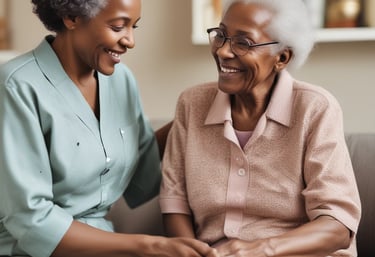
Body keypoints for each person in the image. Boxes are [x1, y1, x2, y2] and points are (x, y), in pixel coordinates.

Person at [0, 1, 220, 257]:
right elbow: (30, 220)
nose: (130, 41)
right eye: (118, 27)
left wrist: (194, 113)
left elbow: (142, 172)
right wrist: (149, 245)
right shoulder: (16, 87)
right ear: (71, 17)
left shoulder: (120, 80)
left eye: (134, 27)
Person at [159, 0, 362, 256]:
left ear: (282, 58)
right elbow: (175, 203)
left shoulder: (315, 109)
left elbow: (337, 225)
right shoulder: (192, 104)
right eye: (220, 35)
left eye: (243, 43)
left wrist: (261, 249)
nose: (223, 51)